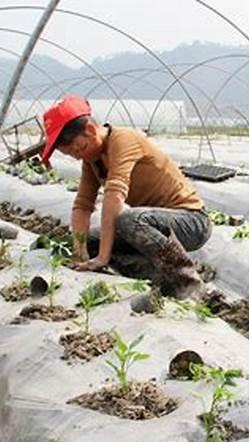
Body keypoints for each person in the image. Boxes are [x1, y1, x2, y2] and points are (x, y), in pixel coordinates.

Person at [41, 95, 211, 298]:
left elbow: (114, 197)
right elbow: (82, 205)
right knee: (88, 241)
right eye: (72, 154)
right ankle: (154, 276)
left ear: (91, 130)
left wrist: (103, 257)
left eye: (80, 149)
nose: (79, 156)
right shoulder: (92, 160)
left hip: (190, 221)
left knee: (129, 220)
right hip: (152, 225)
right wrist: (80, 252)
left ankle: (188, 283)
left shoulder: (123, 140)